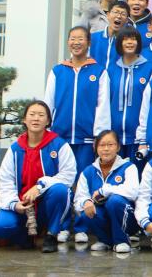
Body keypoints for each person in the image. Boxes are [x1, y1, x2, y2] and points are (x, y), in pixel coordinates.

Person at [43, 26, 111, 241]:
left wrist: (99, 136)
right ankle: (62, 226)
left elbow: (102, 106)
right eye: (72, 38)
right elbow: (48, 103)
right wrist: (47, 132)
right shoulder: (58, 71)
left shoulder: (99, 72)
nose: (76, 42)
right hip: (60, 138)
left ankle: (81, 227)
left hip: (87, 139)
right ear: (68, 42)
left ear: (88, 43)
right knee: (61, 183)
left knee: (84, 182)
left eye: (81, 39)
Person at [0, 101, 76, 252]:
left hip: (46, 204)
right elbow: (6, 180)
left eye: (41, 115)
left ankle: (51, 234)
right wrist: (14, 204)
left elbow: (68, 175)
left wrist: (39, 187)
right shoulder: (15, 149)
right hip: (22, 204)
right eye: (32, 114)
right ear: (25, 120)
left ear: (48, 121)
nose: (36, 118)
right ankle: (24, 238)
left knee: (60, 190)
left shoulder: (59, 145)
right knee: (1, 226)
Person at [73, 129, 140, 253]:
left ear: (118, 147)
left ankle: (121, 241)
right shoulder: (88, 172)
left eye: (110, 145)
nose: (106, 149)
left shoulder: (128, 167)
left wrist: (105, 190)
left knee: (114, 201)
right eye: (102, 145)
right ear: (96, 148)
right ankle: (105, 241)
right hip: (103, 216)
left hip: (128, 219)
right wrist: (86, 202)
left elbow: (133, 192)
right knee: (87, 212)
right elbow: (79, 199)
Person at [106, 26, 152, 164]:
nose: (130, 42)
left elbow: (151, 104)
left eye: (133, 39)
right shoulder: (111, 70)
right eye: (125, 39)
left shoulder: (149, 70)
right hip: (114, 136)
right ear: (120, 43)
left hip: (138, 137)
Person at [90, 1, 129, 71]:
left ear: (127, 20)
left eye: (123, 14)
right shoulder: (93, 38)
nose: (119, 16)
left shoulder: (128, 42)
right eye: (116, 12)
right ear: (108, 15)